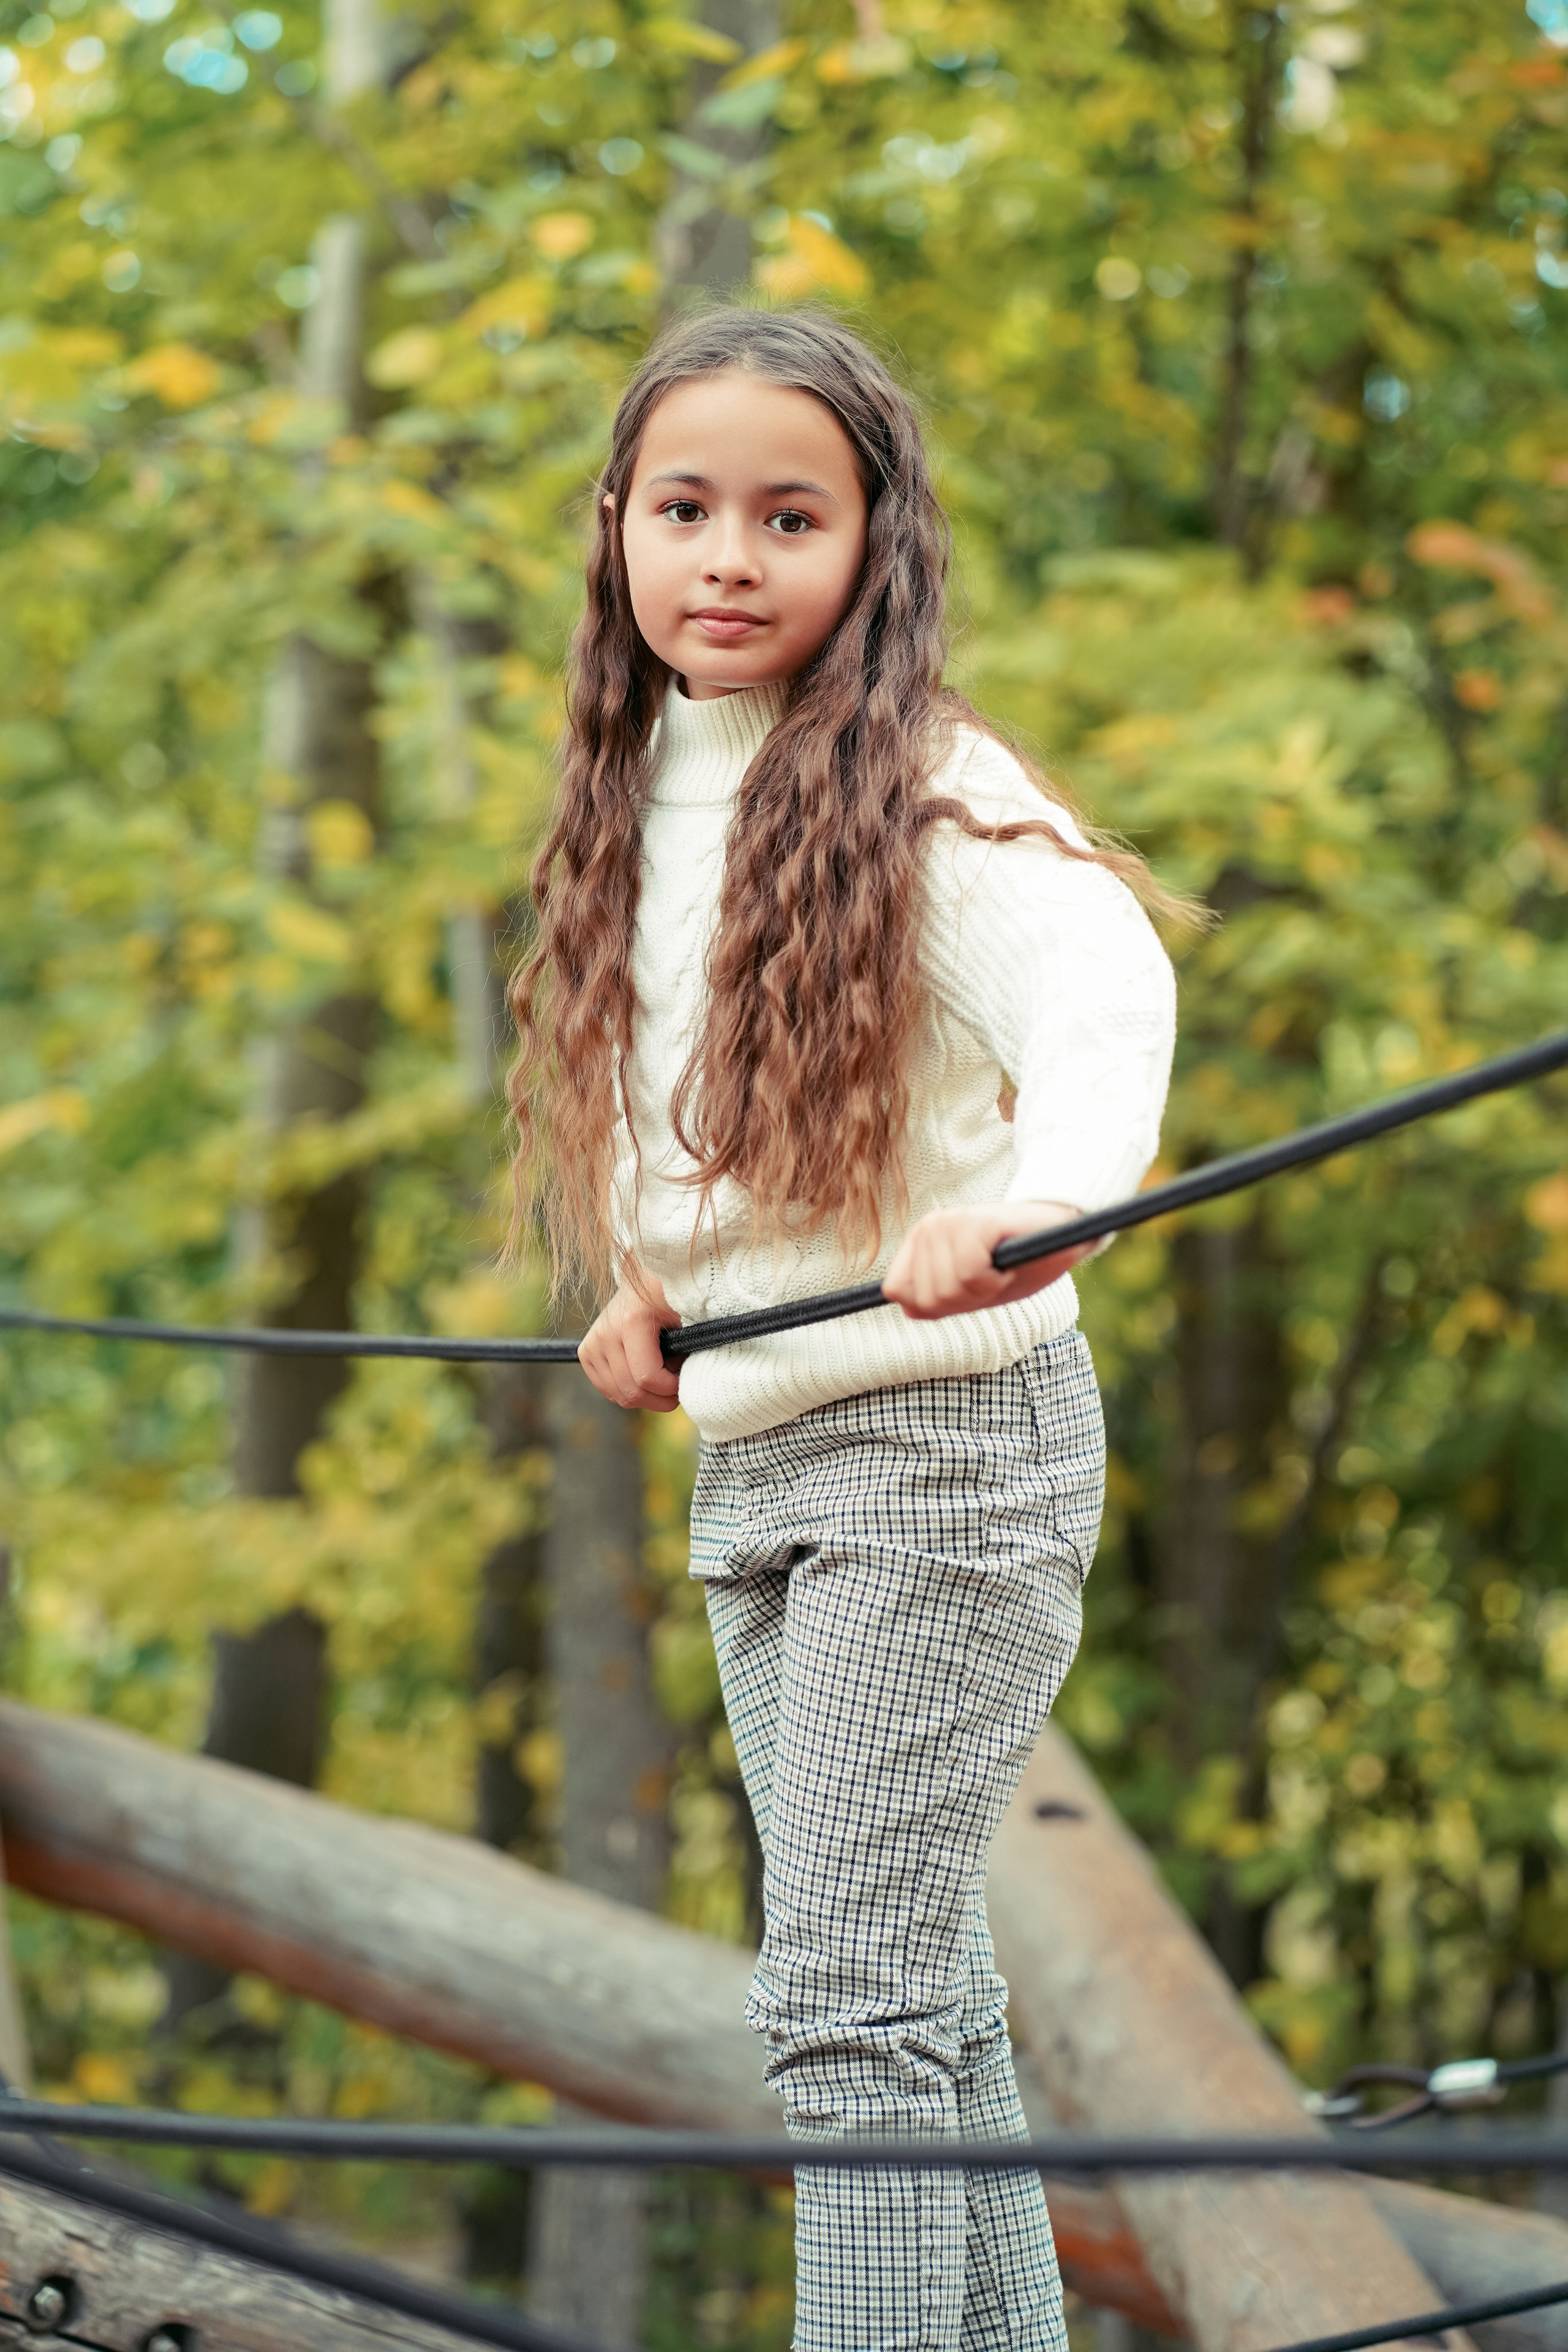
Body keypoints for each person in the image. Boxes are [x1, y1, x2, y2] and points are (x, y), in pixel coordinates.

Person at [508, 306, 1181, 2352]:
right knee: (917, 1986)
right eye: (687, 508)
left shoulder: (926, 793)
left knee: (845, 2009)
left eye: (788, 517)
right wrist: (647, 1290)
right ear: (618, 527)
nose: (729, 556)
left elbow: (1105, 995)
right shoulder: (631, 796)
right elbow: (685, 1121)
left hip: (948, 1451)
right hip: (767, 1457)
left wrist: (1043, 1207)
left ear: (869, 548)